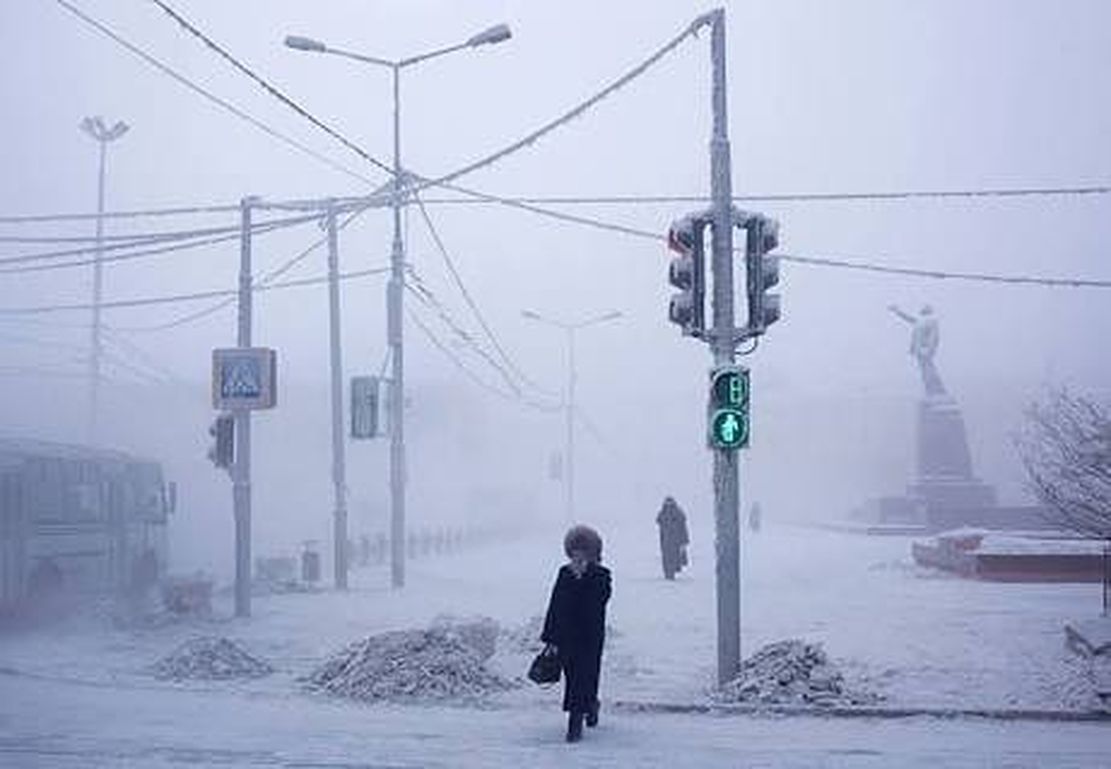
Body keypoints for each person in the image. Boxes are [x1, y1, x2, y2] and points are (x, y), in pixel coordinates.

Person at [540, 525, 612, 743]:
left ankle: (585, 711)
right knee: (573, 677)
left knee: (587, 675)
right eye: (575, 551)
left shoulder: (601, 575)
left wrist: (584, 578)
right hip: (566, 637)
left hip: (590, 637)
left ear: (592, 552)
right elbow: (555, 604)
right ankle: (582, 711)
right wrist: (550, 636)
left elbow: (598, 603)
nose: (578, 556)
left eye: (583, 551)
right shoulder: (564, 573)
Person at [656, 496, 690, 580]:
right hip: (670, 540)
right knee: (670, 557)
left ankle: (670, 572)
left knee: (670, 557)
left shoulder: (672, 513)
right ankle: (670, 572)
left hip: (670, 541)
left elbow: (659, 521)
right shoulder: (677, 513)